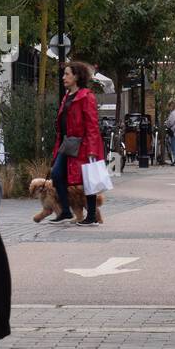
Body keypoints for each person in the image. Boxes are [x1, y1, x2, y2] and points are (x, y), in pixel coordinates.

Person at [49, 60, 107, 226]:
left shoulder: (86, 97)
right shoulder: (67, 96)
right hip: (67, 143)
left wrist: (92, 149)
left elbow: (92, 125)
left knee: (88, 179)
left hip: (82, 144)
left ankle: (91, 216)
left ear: (76, 77)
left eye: (67, 74)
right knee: (57, 174)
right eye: (64, 74)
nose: (63, 77)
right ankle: (66, 212)